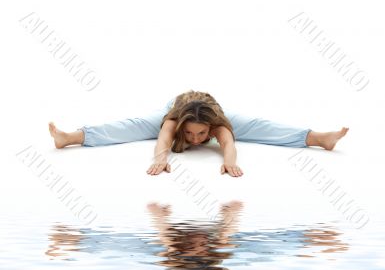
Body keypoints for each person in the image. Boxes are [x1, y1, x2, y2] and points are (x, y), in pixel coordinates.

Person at [48, 89, 349, 178]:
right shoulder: (173, 121)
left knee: (259, 127)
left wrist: (229, 162)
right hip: (178, 107)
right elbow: (164, 139)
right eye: (189, 135)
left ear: (210, 128)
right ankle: (70, 137)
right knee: (133, 126)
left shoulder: (217, 124)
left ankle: (320, 138)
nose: (194, 140)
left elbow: (229, 143)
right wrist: (161, 158)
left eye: (201, 135)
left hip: (209, 108)